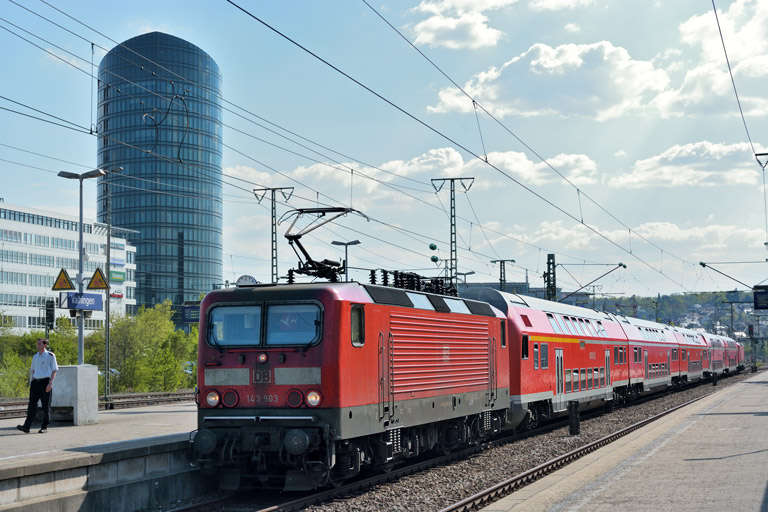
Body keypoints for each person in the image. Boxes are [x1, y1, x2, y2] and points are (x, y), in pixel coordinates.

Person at [17, 338, 58, 434]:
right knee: (31, 405)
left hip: (45, 382)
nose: (38, 345)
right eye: (37, 344)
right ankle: (26, 426)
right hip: (35, 383)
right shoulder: (35, 356)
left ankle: (44, 427)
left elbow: (54, 370)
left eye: (40, 344)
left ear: (45, 345)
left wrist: (50, 383)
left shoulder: (50, 356)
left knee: (45, 406)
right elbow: (33, 370)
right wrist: (32, 381)